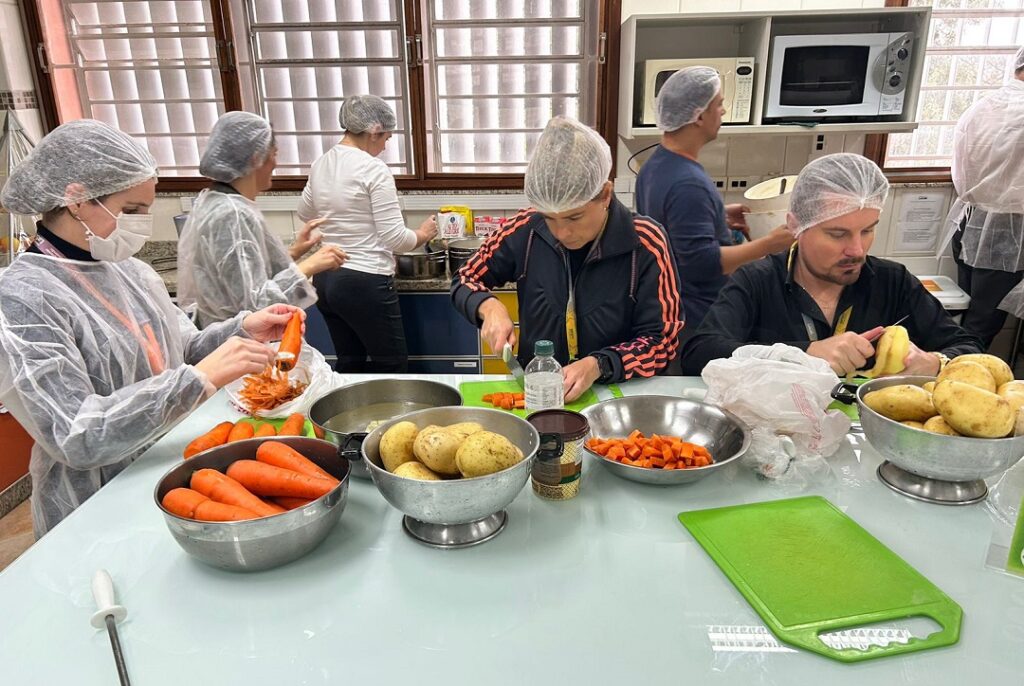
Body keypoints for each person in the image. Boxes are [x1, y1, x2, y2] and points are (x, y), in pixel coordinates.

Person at [0, 120, 301, 537]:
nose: (141, 224)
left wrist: (243, 329)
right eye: (131, 211)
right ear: (76, 200)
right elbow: (75, 433)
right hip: (97, 500)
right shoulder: (22, 298)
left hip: (170, 465)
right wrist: (199, 379)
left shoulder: (131, 272)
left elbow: (183, 348)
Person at [681, 153, 984, 376]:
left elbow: (970, 348)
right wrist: (802, 353)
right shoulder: (758, 280)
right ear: (796, 227)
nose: (856, 250)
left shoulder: (893, 282)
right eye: (837, 234)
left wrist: (936, 362)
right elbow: (699, 353)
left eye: (867, 230)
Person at [452, 116, 683, 402]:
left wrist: (598, 365)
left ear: (606, 195)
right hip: (537, 395)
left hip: (618, 398)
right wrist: (488, 306)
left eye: (575, 217)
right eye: (550, 218)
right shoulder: (526, 229)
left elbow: (662, 343)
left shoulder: (646, 242)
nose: (562, 232)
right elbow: (465, 277)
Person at [636, 66, 795, 332]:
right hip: (698, 316)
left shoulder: (655, 166)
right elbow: (703, 264)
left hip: (672, 309)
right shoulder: (688, 183)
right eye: (719, 104)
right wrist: (769, 244)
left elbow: (669, 230)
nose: (723, 111)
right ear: (699, 116)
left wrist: (717, 216)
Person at [298, 95, 437, 373]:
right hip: (365, 280)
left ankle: (352, 416)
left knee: (349, 364)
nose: (385, 146)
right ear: (374, 131)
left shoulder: (321, 163)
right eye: (386, 137)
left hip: (326, 278)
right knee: (392, 364)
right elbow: (395, 238)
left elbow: (305, 213)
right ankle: (394, 418)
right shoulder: (373, 169)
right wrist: (423, 233)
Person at [177, 111, 347, 328]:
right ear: (256, 157)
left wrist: (295, 252)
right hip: (240, 343)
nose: (276, 163)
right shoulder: (232, 214)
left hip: (232, 339)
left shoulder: (218, 202)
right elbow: (254, 305)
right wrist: (309, 266)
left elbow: (242, 276)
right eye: (274, 153)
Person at [946, 45, 1024, 348]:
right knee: (983, 325)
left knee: (970, 315)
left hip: (969, 224)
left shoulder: (983, 105)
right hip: (1008, 237)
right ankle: (963, 384)